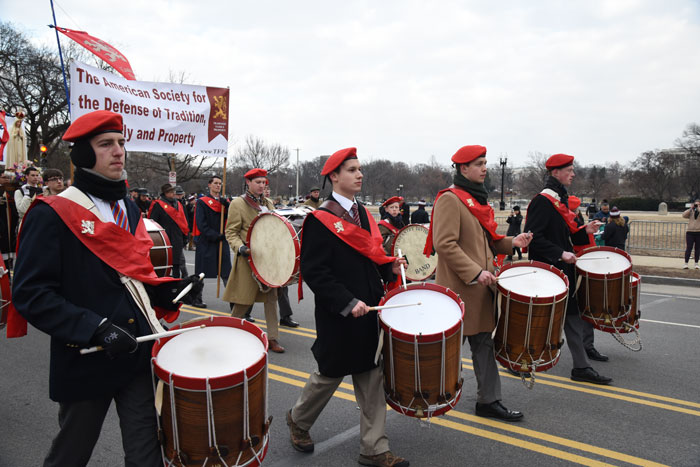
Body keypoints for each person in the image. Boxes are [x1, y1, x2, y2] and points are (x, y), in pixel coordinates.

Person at [10, 110, 201, 467]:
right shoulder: (50, 213)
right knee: (71, 455)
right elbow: (31, 294)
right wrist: (94, 328)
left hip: (136, 355)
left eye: (121, 143)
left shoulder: (127, 208)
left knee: (147, 456)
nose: (119, 152)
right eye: (106, 144)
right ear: (82, 155)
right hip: (87, 359)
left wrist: (168, 290)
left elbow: (132, 274)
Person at [286, 147, 409, 467]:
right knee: (328, 375)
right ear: (334, 177)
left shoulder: (364, 214)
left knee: (371, 376)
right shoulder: (319, 220)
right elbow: (315, 272)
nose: (359, 174)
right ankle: (298, 420)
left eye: (359, 169)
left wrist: (389, 269)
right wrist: (346, 301)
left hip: (370, 310)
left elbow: (372, 258)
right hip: (339, 314)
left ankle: (373, 449)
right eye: (352, 170)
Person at [426, 144, 532, 422]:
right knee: (441, 348)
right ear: (463, 168)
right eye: (479, 163)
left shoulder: (477, 198)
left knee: (484, 344)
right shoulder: (450, 199)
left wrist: (512, 242)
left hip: (481, 288)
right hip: (460, 289)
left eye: (485, 163)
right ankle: (419, 392)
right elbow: (444, 244)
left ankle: (489, 401)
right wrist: (474, 272)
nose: (485, 168)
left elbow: (487, 240)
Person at [524, 153, 612, 384]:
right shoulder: (543, 201)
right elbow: (534, 237)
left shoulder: (559, 199)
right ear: (556, 173)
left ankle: (581, 367)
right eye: (569, 170)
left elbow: (563, 235)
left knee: (572, 317)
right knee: (541, 320)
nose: (573, 174)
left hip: (563, 269)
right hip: (549, 271)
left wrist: (586, 231)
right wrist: (560, 253)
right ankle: (520, 360)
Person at [223, 168, 285, 353]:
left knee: (271, 299)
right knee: (243, 300)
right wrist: (240, 248)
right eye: (257, 182)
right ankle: (228, 333)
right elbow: (231, 232)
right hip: (248, 258)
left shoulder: (267, 203)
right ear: (248, 183)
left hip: (268, 260)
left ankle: (273, 338)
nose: (261, 185)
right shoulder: (238, 203)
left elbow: (274, 226)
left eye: (264, 182)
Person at [569, 195, 607, 362]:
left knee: (585, 309)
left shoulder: (577, 219)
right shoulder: (569, 220)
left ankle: (587, 347)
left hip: (585, 265)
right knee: (580, 310)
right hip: (576, 266)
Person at [193, 175, 231, 308]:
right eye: (215, 183)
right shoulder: (202, 202)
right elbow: (201, 224)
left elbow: (231, 219)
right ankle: (197, 298)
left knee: (227, 272)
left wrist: (228, 207)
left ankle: (234, 301)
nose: (218, 186)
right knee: (202, 272)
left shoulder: (223, 202)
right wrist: (215, 235)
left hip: (222, 241)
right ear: (209, 185)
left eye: (220, 183)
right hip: (207, 241)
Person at [148, 183, 189, 279]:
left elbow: (184, 221)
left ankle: (177, 282)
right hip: (164, 238)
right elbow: (153, 222)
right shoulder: (158, 205)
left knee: (177, 263)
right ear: (165, 193)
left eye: (173, 191)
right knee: (164, 262)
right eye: (170, 192)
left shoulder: (178, 204)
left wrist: (185, 236)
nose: (173, 193)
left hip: (177, 237)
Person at [682, 199, 700, 269]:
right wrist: (691, 209)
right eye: (696, 204)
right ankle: (686, 263)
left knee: (697, 249)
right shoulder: (691, 211)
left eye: (698, 204)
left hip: (698, 232)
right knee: (689, 248)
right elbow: (683, 215)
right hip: (690, 232)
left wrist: (698, 208)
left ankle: (696, 263)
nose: (697, 206)